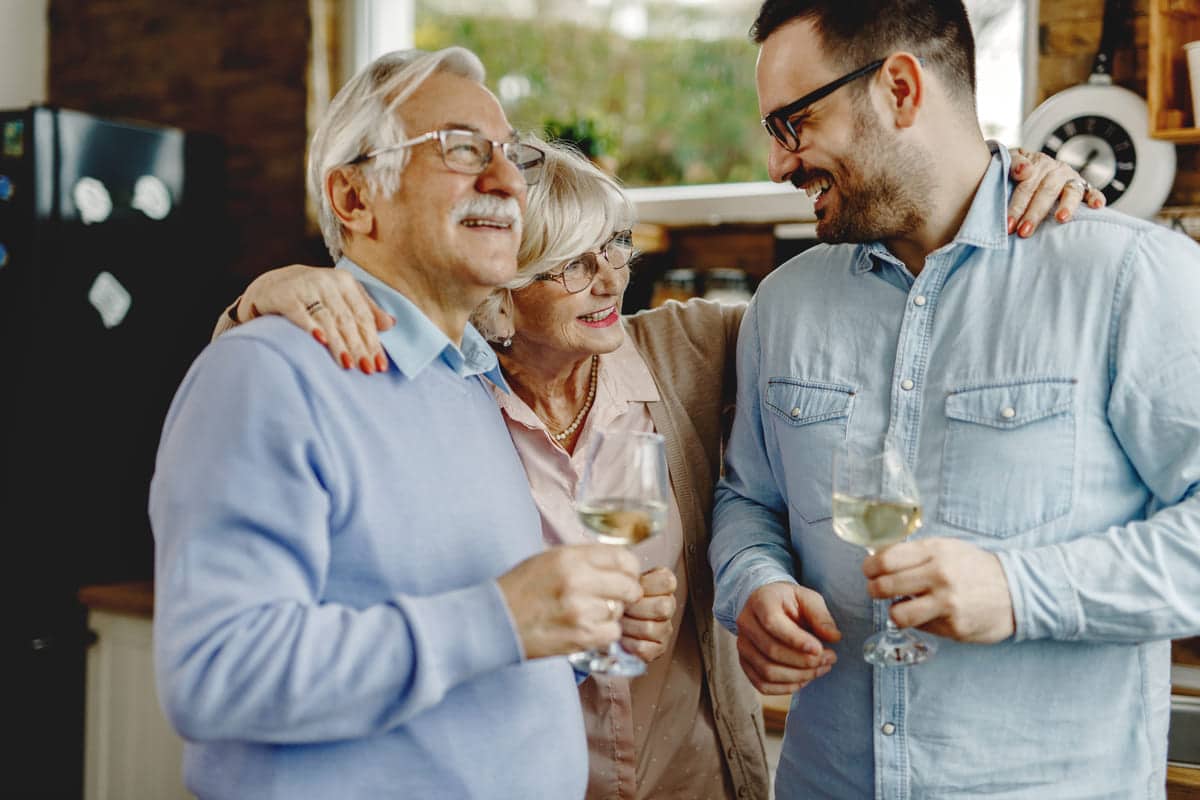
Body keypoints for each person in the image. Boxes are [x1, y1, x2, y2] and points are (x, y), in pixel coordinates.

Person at [217, 144, 1094, 800]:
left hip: (695, 776)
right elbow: (269, 413)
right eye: (569, 263)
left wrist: (991, 181)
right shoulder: (437, 395)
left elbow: (866, 316)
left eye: (617, 246)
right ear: (498, 282)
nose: (612, 279)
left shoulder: (691, 350)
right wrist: (272, 291)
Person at [709, 1, 1200, 797]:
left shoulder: (1129, 280)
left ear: (900, 89)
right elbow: (747, 499)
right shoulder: (783, 305)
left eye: (794, 123)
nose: (777, 164)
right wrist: (753, 582)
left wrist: (1016, 592)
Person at [150, 47, 648, 800]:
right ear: (353, 199)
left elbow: (462, 638)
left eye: (509, 154)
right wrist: (504, 618)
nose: (509, 180)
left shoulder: (471, 382)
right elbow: (217, 673)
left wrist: (569, 636)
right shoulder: (265, 374)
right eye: (461, 149)